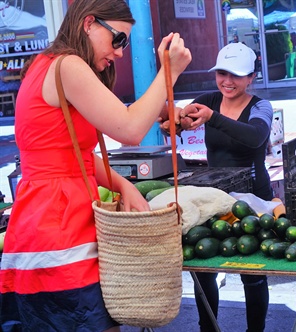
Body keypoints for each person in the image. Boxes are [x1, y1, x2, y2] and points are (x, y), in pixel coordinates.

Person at [0, 0, 191, 331]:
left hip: (47, 222)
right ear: (88, 23)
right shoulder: (69, 65)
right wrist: (168, 73)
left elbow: (71, 154)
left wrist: (122, 184)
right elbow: (130, 129)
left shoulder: (46, 64)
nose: (119, 52)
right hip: (60, 230)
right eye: (118, 39)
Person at [161, 42, 273, 332]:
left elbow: (255, 137)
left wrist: (213, 118)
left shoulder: (260, 106)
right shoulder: (208, 99)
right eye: (222, 73)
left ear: (251, 77)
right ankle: (207, 328)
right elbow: (183, 118)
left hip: (254, 200)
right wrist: (173, 121)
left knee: (253, 271)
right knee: (205, 269)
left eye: (236, 75)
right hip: (215, 197)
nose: (228, 81)